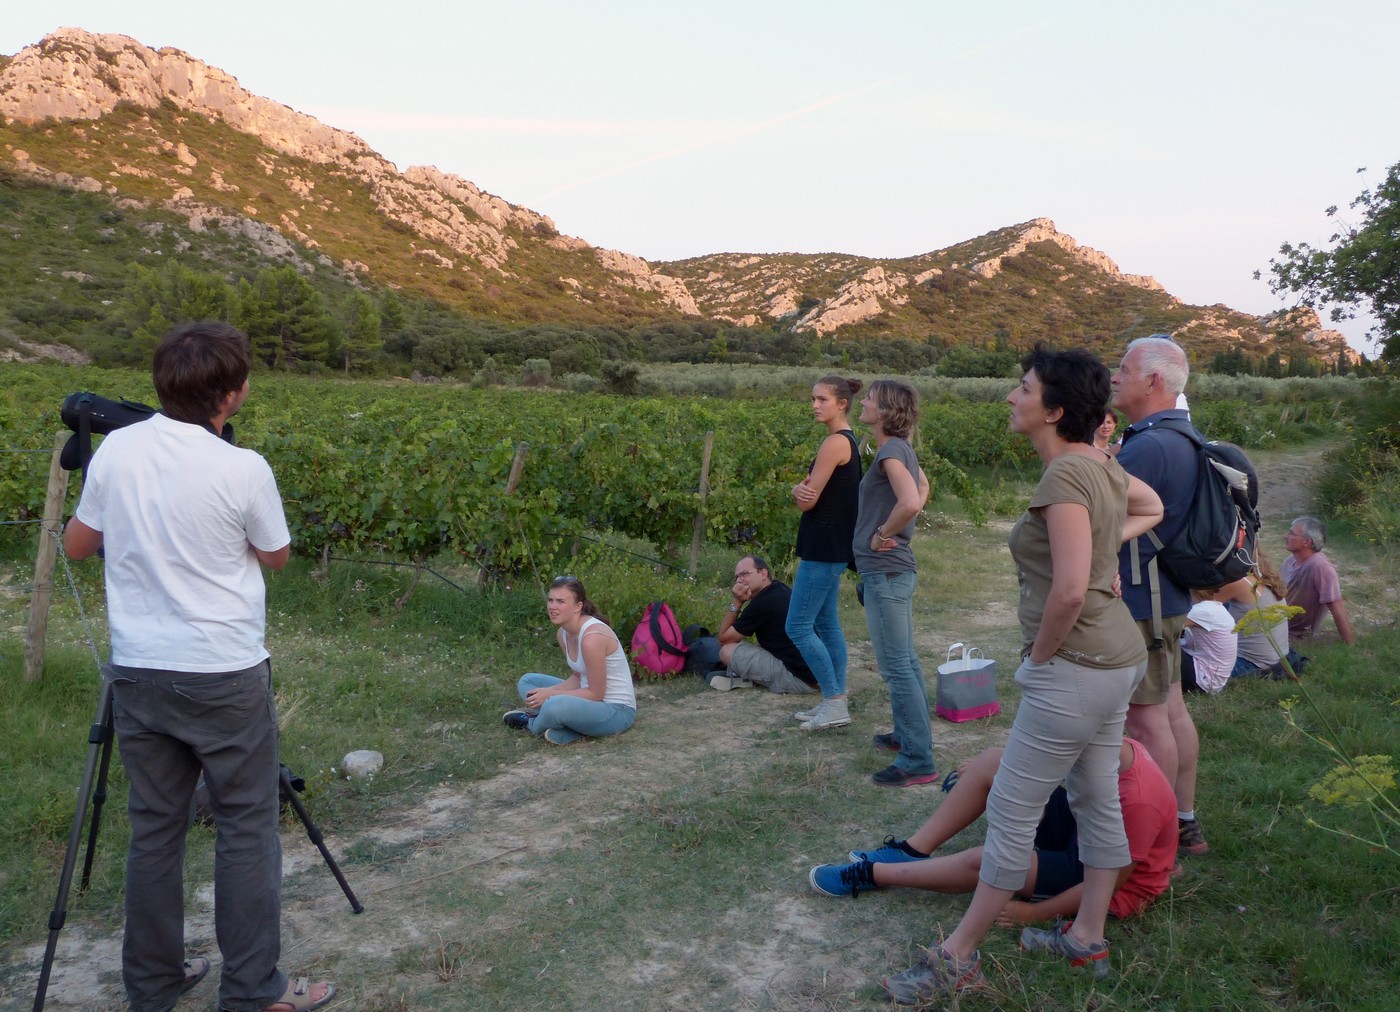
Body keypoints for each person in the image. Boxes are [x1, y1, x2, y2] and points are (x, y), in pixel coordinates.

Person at [63, 322, 334, 1012]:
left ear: (160, 385)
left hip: (138, 670)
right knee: (245, 826)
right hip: (222, 671)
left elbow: (75, 545)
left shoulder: (118, 450)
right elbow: (275, 555)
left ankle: (152, 986)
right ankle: (251, 992)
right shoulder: (243, 468)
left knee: (153, 828)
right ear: (234, 395)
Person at [880, 344, 1162, 1004]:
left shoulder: (1067, 477)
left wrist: (1039, 659)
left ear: (1054, 410)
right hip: (1118, 659)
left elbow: (1066, 593)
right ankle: (1087, 936)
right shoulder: (1102, 464)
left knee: (1011, 810)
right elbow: (1150, 509)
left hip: (1076, 663)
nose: (1012, 397)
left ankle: (957, 958)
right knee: (1096, 796)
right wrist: (1102, 560)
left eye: (1024, 388)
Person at [810, 739, 1178, 930]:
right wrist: (1005, 767)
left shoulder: (1138, 802)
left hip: (1100, 876)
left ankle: (873, 875)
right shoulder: (1110, 751)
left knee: (991, 859)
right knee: (994, 761)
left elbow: (1111, 883)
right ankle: (910, 850)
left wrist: (1036, 915)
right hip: (1087, 829)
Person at [1110, 334, 1211, 857]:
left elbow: (1108, 517)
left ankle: (1156, 845)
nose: (1114, 378)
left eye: (1123, 370)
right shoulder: (1184, 435)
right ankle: (1185, 822)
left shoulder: (1147, 445)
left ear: (1153, 381)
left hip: (1141, 598)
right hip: (1170, 594)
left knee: (1146, 720)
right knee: (1170, 711)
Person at [845, 380, 933, 779]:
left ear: (884, 411)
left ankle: (917, 760)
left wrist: (883, 534)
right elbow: (923, 487)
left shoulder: (892, 451)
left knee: (896, 665)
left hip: (886, 570)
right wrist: (898, 527)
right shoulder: (898, 449)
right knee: (906, 661)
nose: (862, 402)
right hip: (893, 570)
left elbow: (912, 499)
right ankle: (906, 734)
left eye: (869, 399)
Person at [785, 376, 863, 714]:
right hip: (834, 546)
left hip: (822, 546)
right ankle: (836, 698)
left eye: (822, 399)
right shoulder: (850, 441)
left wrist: (795, 492)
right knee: (826, 623)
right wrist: (801, 491)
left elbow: (807, 499)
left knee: (798, 626)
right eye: (813, 398)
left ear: (842, 404)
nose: (815, 405)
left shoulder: (833, 443)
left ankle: (833, 700)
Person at [503, 575, 637, 744]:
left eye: (560, 601)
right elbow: (577, 678)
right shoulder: (562, 633)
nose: (553, 607)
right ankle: (572, 728)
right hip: (587, 701)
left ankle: (532, 724)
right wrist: (546, 693)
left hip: (617, 711)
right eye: (550, 600)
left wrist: (551, 694)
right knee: (527, 682)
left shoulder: (592, 637)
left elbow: (596, 694)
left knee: (554, 704)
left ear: (577, 606)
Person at [708, 556, 818, 694]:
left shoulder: (763, 602)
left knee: (727, 651)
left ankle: (747, 678)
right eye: (737, 577)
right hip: (818, 673)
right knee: (758, 647)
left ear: (763, 574)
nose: (739, 580)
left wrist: (737, 602)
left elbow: (723, 639)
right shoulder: (779, 589)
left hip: (800, 680)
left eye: (745, 574)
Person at [1282, 515, 1355, 644]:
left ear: (1307, 542)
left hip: (1293, 635)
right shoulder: (1291, 560)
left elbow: (1336, 606)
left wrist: (1350, 644)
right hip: (1276, 625)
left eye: (1292, 533)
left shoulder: (1320, 566)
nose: (1286, 536)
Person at [1227, 551, 1296, 679]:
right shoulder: (1265, 577)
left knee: (1186, 663)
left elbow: (1200, 610)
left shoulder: (1240, 582)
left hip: (1252, 665)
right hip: (1280, 660)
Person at [1179, 587, 1239, 695]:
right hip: (1213, 681)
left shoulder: (1202, 610)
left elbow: (1164, 627)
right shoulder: (1216, 607)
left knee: (1160, 645)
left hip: (1203, 681)